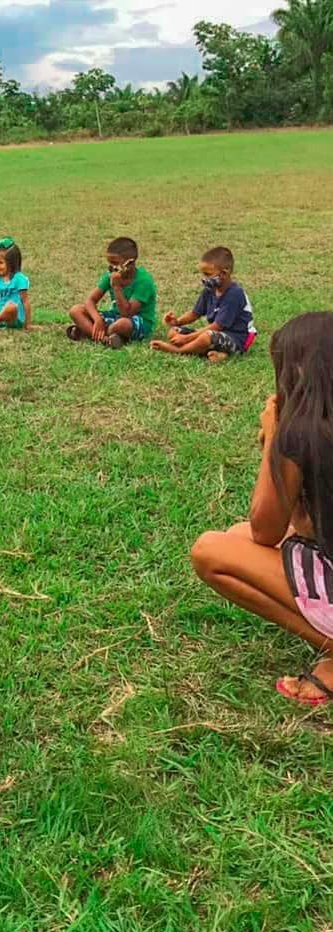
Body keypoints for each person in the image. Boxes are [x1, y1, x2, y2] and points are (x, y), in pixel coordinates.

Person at [191, 313, 333, 705]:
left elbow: (266, 530)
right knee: (233, 537)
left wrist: (274, 437)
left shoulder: (301, 434)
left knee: (211, 551)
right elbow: (305, 527)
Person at [152, 247, 256, 361]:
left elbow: (217, 326)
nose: (204, 278)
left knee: (206, 337)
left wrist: (186, 339)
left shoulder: (234, 294)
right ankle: (219, 354)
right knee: (174, 332)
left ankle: (178, 351)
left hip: (236, 339)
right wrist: (177, 322)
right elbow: (194, 313)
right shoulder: (210, 289)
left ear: (224, 273)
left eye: (208, 274)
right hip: (215, 334)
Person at [66, 236, 157, 348]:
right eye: (110, 263)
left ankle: (89, 332)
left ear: (130, 263)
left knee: (121, 324)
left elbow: (126, 313)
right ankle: (107, 339)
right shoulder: (109, 276)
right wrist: (97, 319)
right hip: (115, 316)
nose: (112, 267)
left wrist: (117, 287)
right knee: (76, 310)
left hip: (137, 321)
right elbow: (90, 300)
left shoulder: (144, 281)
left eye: (115, 263)